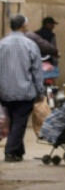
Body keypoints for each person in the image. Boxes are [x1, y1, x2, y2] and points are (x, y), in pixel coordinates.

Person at [0, 14, 44, 162]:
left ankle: (19, 151)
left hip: (4, 91)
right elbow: (37, 70)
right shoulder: (30, 45)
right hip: (24, 91)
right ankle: (11, 151)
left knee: (13, 120)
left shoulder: (2, 44)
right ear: (23, 26)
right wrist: (40, 91)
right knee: (19, 121)